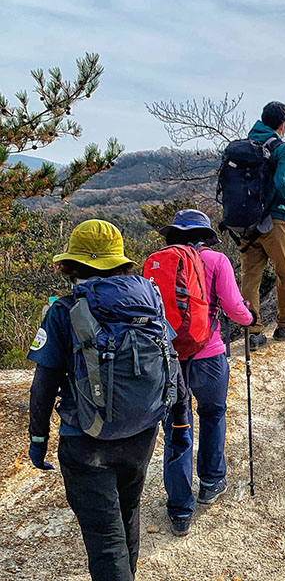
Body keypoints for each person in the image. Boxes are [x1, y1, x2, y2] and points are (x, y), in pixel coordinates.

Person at [27, 219, 189, 581]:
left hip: (86, 440)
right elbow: (172, 361)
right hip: (142, 431)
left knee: (105, 541)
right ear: (119, 262)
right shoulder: (149, 300)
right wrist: (179, 422)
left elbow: (43, 385)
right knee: (127, 516)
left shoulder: (63, 311)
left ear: (72, 265)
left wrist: (38, 439)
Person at [158, 209, 256, 536]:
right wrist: (250, 318)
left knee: (176, 426)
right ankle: (211, 482)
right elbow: (234, 308)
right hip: (209, 355)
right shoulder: (216, 260)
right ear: (205, 236)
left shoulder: (160, 263)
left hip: (170, 358)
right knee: (212, 414)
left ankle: (179, 509)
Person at [240, 101, 285, 349]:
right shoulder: (283, 150)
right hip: (275, 219)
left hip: (246, 223)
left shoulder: (244, 147)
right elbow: (282, 183)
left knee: (250, 277)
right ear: (283, 125)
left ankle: (252, 331)